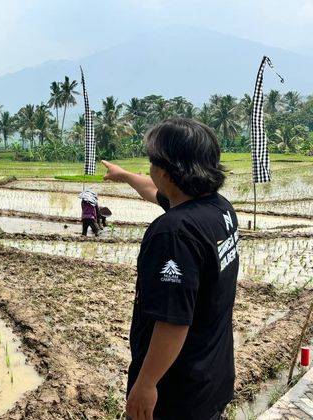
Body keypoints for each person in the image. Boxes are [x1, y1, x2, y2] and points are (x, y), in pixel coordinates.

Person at [102, 118, 239, 420]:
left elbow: (173, 322)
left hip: (177, 392)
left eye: (152, 162)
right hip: (211, 377)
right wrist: (124, 176)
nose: (150, 170)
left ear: (166, 171)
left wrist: (147, 384)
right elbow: (156, 191)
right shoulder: (218, 208)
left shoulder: (173, 233)